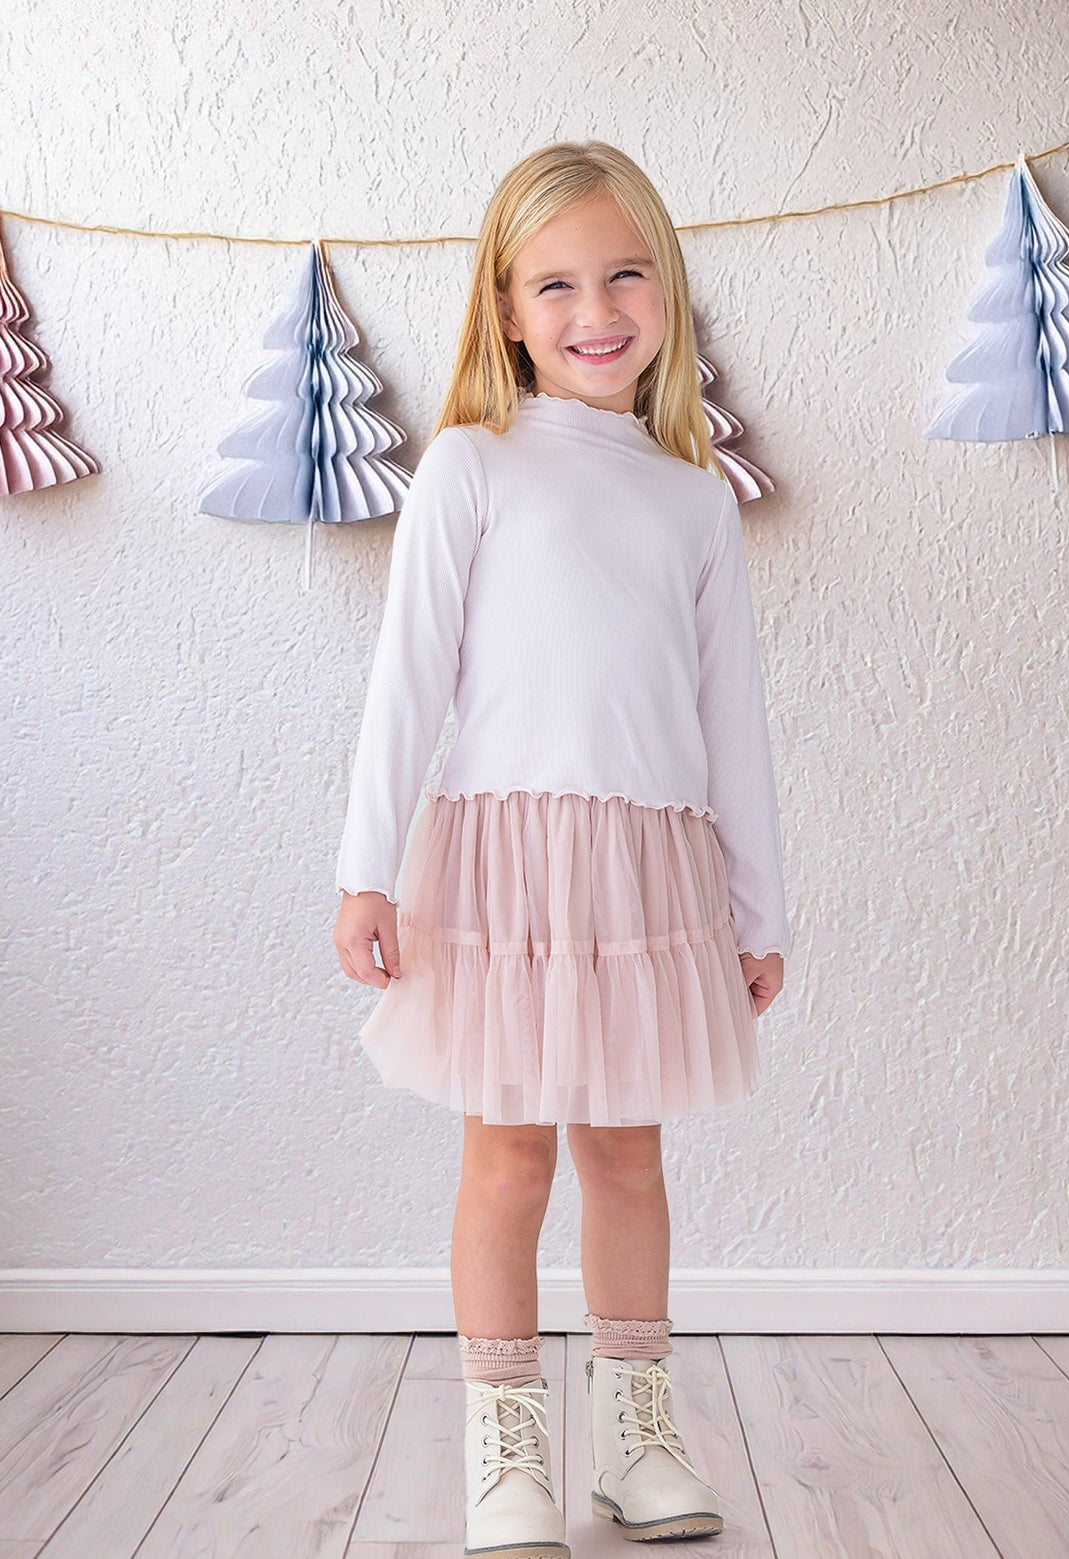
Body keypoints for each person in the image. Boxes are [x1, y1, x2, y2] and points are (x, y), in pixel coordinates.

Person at [332, 139, 791, 1557]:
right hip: (499, 864)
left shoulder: (696, 497)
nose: (597, 309)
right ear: (509, 309)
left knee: (630, 1157)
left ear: (667, 290)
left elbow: (733, 723)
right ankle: (507, 1438)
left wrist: (759, 908)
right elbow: (406, 680)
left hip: (650, 872)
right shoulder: (470, 469)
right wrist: (363, 868)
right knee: (508, 1157)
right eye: (557, 285)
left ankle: (639, 1435)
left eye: (624, 274)